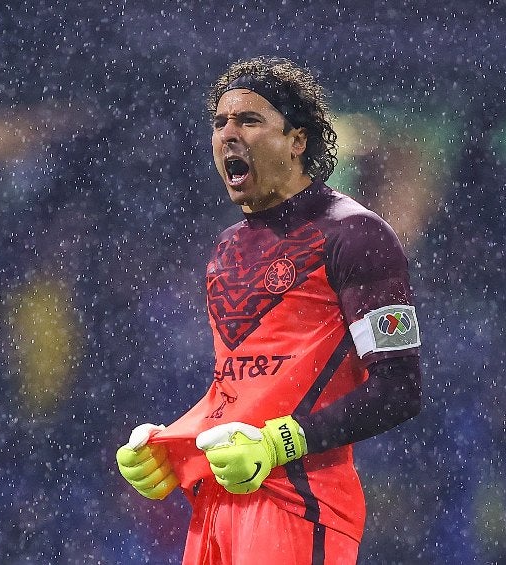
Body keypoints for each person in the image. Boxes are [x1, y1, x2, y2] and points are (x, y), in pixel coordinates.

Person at [116, 56, 423, 565]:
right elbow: (240, 386)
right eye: (219, 123)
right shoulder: (226, 249)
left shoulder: (356, 236)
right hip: (218, 503)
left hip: (299, 503)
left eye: (249, 120)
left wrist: (277, 446)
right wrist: (175, 444)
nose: (228, 134)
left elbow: (398, 389)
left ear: (298, 141)